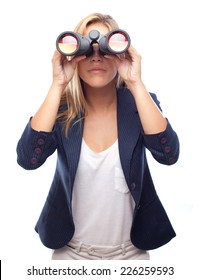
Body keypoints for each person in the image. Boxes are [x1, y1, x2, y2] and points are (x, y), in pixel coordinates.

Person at [16, 12, 179, 260]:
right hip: (70, 252)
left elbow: (168, 155)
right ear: (74, 55)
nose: (96, 56)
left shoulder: (139, 104)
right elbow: (28, 160)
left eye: (106, 47)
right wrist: (57, 84)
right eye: (87, 48)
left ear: (121, 51)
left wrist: (136, 83)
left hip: (131, 254)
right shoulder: (61, 110)